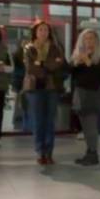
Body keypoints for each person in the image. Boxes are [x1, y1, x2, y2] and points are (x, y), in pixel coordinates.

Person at [22, 20, 66, 167]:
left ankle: (49, 152)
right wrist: (47, 67)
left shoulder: (56, 47)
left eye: (46, 30)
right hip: (34, 88)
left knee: (50, 121)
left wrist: (41, 64)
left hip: (51, 88)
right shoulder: (28, 48)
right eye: (40, 30)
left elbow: (58, 64)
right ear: (35, 32)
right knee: (38, 120)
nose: (43, 32)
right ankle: (40, 151)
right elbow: (30, 68)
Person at [71, 27, 100, 167]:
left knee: (91, 126)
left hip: (93, 95)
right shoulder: (78, 55)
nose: (89, 41)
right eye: (86, 38)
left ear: (96, 41)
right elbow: (71, 72)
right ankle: (89, 151)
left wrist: (88, 61)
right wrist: (76, 62)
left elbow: (97, 77)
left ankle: (93, 153)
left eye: (91, 38)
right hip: (80, 94)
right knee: (85, 127)